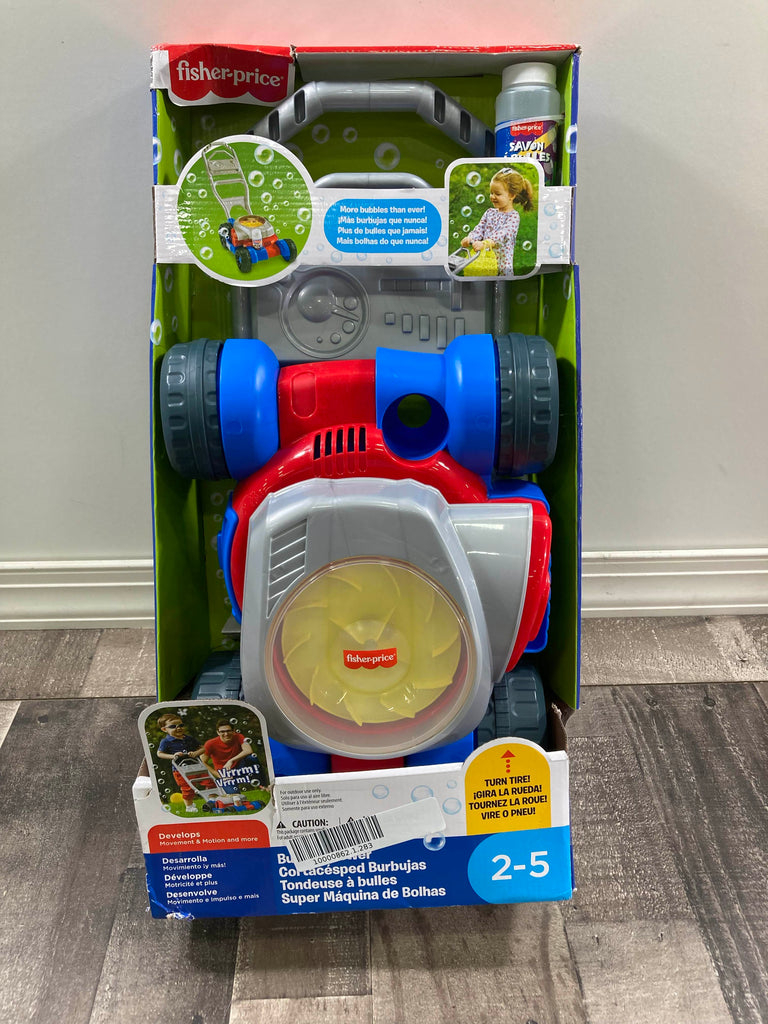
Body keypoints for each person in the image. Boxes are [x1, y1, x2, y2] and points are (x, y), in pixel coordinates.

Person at [460, 168, 535, 276]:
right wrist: (470, 238)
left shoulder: (513, 216)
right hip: (486, 263)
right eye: (491, 193)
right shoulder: (489, 212)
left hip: (502, 267)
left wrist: (487, 243)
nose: (492, 197)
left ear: (511, 195)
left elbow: (504, 233)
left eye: (498, 194)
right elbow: (479, 229)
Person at [202, 720, 263, 807]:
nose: (226, 734)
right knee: (235, 798)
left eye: (228, 731)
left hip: (240, 768)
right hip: (225, 774)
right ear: (218, 732)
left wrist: (231, 761)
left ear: (233, 731)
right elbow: (203, 761)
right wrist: (218, 775)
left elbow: (248, 750)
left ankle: (263, 785)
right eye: (222, 732)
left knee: (252, 758)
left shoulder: (238, 737)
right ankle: (216, 798)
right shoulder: (210, 744)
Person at [156, 714, 205, 813]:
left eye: (181, 725)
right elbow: (159, 754)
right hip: (180, 769)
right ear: (164, 729)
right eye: (173, 726)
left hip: (196, 766)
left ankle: (212, 800)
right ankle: (189, 806)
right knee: (187, 788)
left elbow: (203, 748)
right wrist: (173, 756)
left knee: (209, 782)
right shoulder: (166, 741)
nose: (178, 728)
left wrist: (196, 753)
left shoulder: (189, 739)